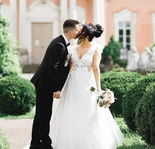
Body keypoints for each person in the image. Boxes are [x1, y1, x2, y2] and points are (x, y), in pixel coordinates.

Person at [49, 23, 123, 149]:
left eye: (81, 31)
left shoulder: (96, 49)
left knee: (88, 111)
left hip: (88, 85)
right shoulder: (72, 49)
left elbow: (95, 69)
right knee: (71, 111)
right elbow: (69, 68)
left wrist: (99, 89)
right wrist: (62, 86)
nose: (77, 32)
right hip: (73, 84)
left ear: (86, 34)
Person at [29, 19, 80, 149]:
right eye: (76, 30)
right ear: (70, 31)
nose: (78, 32)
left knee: (40, 114)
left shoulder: (61, 42)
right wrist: (56, 89)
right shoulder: (60, 45)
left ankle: (35, 142)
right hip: (45, 84)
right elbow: (52, 68)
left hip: (42, 83)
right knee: (45, 114)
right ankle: (45, 144)